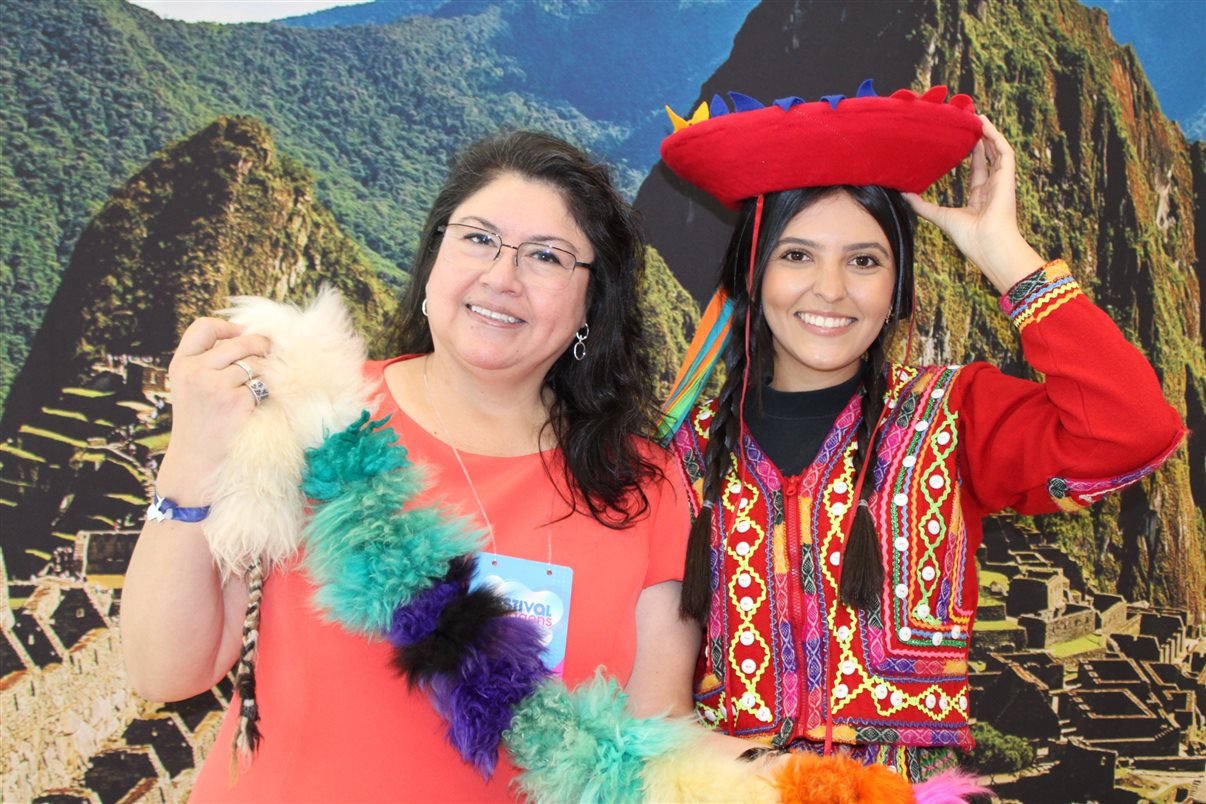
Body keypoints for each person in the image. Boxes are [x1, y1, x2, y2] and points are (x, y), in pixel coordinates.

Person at [121, 131, 701, 801]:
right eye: (477, 238)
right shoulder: (319, 419)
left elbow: (654, 747)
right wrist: (193, 451)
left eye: (546, 256)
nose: (500, 276)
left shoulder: (642, 488)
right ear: (433, 261)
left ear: (590, 306)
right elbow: (167, 672)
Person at [657, 83, 1185, 782]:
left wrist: (1002, 251)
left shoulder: (952, 418)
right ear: (751, 275)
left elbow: (1132, 431)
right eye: (796, 256)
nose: (831, 289)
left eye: (865, 260)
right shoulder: (680, 452)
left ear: (899, 284)